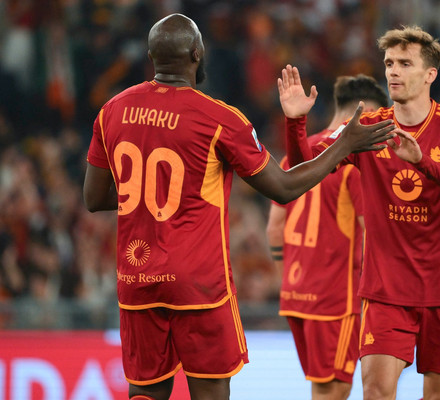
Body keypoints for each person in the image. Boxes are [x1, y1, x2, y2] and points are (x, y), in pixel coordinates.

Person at [82, 13, 396, 400]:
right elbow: (283, 188)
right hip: (199, 284)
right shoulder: (219, 119)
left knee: (145, 391)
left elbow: (94, 198)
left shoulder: (112, 110)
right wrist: (345, 144)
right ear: (197, 53)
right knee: (211, 391)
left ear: (151, 57)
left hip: (137, 278)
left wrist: (155, 191)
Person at [281, 26, 440, 399]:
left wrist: (421, 161)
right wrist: (296, 123)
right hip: (386, 290)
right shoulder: (369, 128)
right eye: (389, 63)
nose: (393, 71)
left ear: (430, 74)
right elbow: (304, 166)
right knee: (375, 391)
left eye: (405, 63)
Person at [266, 73, 389, 400]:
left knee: (322, 387)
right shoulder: (353, 165)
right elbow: (371, 232)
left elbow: (274, 227)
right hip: (335, 298)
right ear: (362, 114)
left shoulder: (296, 155)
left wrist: (288, 280)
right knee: (334, 389)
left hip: (295, 295)